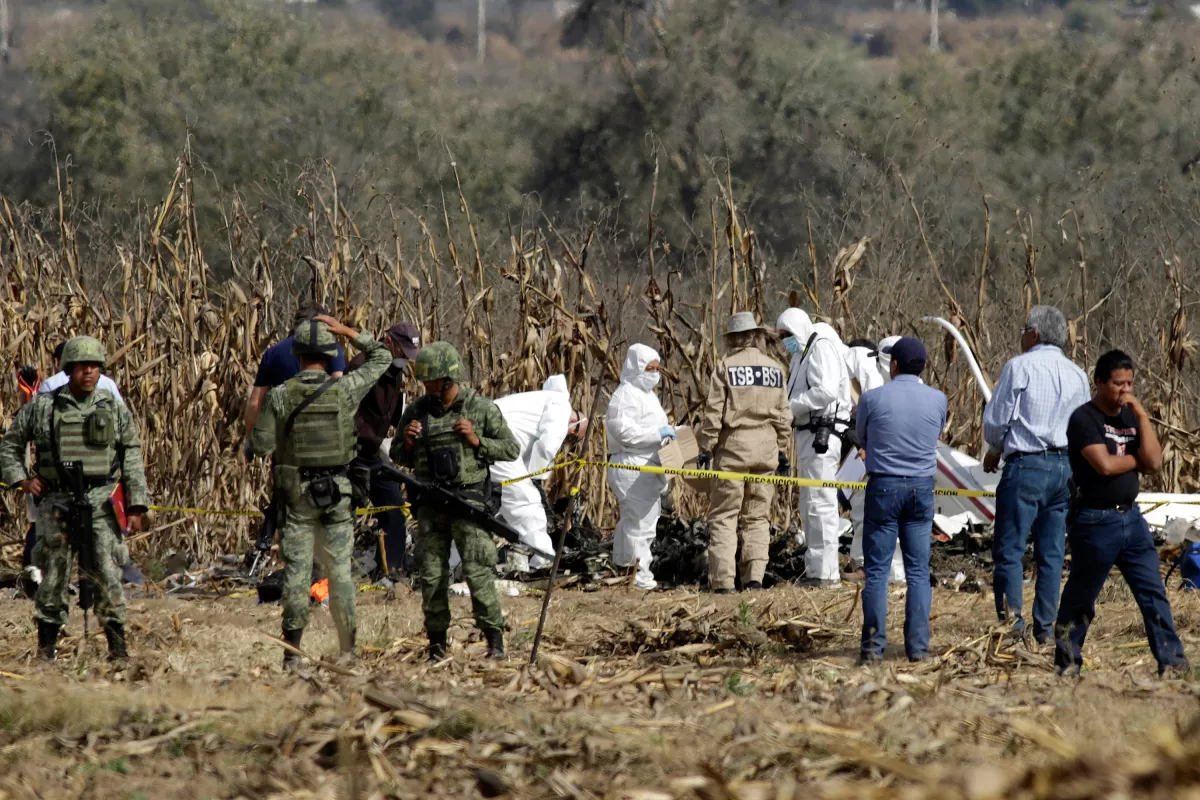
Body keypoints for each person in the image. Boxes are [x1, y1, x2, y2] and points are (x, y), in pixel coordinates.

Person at [250, 316, 392, 669]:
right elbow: (383, 358)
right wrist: (349, 332)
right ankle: (348, 651)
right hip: (338, 495)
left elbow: (263, 443)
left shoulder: (281, 396)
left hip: (298, 497)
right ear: (330, 355)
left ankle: (292, 653)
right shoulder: (343, 391)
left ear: (297, 356)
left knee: (297, 573)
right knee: (340, 572)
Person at [0, 336, 149, 662]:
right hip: (57, 500)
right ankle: (46, 651)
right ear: (69, 369)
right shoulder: (43, 407)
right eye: (82, 366)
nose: (88, 373)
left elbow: (131, 454)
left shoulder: (112, 407)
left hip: (100, 499)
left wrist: (136, 505)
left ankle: (118, 650)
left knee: (108, 575)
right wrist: (22, 479)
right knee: (53, 575)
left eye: (94, 367)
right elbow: (10, 445)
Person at [1054, 350, 1189, 677]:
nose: (1124, 390)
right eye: (1117, 384)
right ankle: (1067, 665)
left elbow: (1155, 462)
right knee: (1081, 599)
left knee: (1153, 594)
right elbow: (1104, 465)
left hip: (1133, 519)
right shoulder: (1084, 419)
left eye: (1129, 383)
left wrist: (1142, 418)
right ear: (1099, 382)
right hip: (1095, 521)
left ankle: (1172, 665)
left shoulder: (1130, 416)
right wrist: (1136, 460)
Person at [391, 342, 520, 662]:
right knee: (433, 578)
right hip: (430, 507)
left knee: (478, 574)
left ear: (448, 379)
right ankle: (436, 648)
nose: (426, 387)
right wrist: (407, 441)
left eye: (431, 381)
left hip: (468, 505)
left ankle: (495, 644)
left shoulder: (481, 409)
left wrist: (478, 440)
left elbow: (511, 449)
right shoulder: (417, 411)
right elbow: (395, 454)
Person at [983, 306, 1091, 644]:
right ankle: (1046, 631)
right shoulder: (1078, 374)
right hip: (1065, 469)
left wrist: (996, 448)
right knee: (1052, 555)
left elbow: (997, 422)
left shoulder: (1019, 367)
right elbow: (1085, 425)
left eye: (1022, 330)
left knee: (1010, 551)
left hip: (1027, 466)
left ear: (1033, 334)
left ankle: (1013, 630)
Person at [855, 337, 947, 663]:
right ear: (923, 366)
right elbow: (936, 434)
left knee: (877, 572)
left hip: (884, 486)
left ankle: (872, 649)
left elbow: (861, 437)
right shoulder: (938, 399)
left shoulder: (872, 398)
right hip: (921, 489)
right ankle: (918, 649)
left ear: (893, 365)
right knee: (918, 571)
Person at [696, 313, 791, 594]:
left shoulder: (726, 367)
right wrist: (782, 449)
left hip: (733, 450)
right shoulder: (775, 369)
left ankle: (723, 582)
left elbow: (713, 414)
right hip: (766, 450)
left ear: (733, 338)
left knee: (725, 515)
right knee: (757, 516)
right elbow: (784, 415)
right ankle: (754, 579)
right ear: (754, 335)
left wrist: (705, 447)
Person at [776, 308, 853, 588]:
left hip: (822, 433)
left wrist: (790, 407)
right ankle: (815, 569)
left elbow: (826, 391)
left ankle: (826, 573)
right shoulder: (802, 353)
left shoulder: (820, 347)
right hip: (806, 435)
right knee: (811, 503)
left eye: (787, 335)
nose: (785, 341)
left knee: (821, 502)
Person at [346, 322, 421, 579]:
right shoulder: (362, 367)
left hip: (374, 453)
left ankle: (392, 571)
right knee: (342, 514)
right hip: (350, 454)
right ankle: (324, 578)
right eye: (402, 352)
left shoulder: (395, 370)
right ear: (389, 342)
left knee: (394, 507)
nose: (405, 360)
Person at [493, 375, 585, 571]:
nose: (569, 441)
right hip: (496, 441)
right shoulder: (560, 406)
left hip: (490, 440)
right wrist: (536, 478)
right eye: (573, 437)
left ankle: (455, 563)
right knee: (526, 503)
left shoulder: (538, 403)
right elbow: (547, 445)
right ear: (575, 422)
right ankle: (544, 562)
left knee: (482, 505)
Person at [606, 344, 674, 591]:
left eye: (657, 368)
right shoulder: (625, 395)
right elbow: (623, 432)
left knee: (636, 521)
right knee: (640, 524)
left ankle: (625, 568)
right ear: (636, 367)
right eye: (649, 368)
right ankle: (639, 574)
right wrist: (658, 434)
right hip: (632, 466)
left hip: (648, 467)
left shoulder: (648, 396)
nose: (654, 373)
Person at [243, 303, 347, 459]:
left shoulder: (272, 353)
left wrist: (250, 439)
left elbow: (255, 403)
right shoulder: (330, 349)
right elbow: (340, 386)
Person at [38, 341, 125, 402]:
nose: (88, 370)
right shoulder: (108, 383)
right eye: (83, 364)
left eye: (93, 364)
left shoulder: (51, 383)